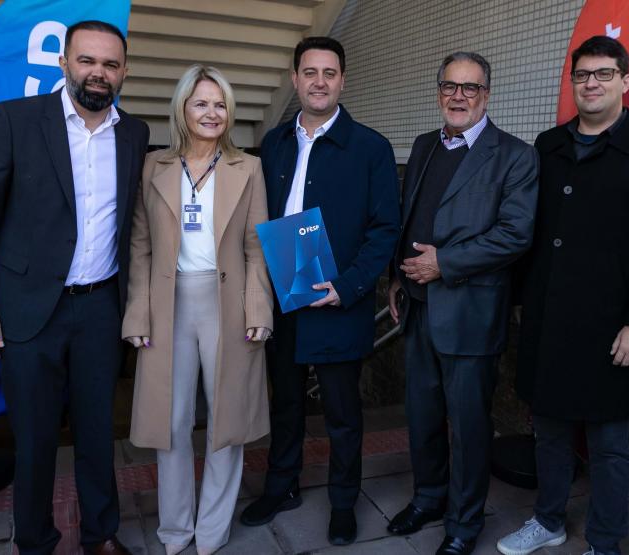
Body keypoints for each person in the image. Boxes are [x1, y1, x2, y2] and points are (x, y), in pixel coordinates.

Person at [0, 20, 149, 555]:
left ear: (124, 72)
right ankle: (36, 543)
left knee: (96, 435)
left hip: (99, 310)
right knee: (35, 442)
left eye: (110, 64)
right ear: (64, 63)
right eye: (87, 60)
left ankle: (100, 535)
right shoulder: (16, 120)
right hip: (27, 310)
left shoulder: (134, 134)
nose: (98, 73)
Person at [496, 36, 629, 555]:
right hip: (549, 319)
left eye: (603, 74)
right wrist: (517, 302)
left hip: (613, 325)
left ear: (626, 81)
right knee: (550, 432)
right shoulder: (549, 146)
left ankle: (605, 541)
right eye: (582, 75)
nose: (591, 84)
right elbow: (530, 234)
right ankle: (548, 521)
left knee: (608, 443)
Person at [239, 36, 400, 545]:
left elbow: (384, 230)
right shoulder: (275, 143)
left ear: (342, 81)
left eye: (329, 73)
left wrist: (349, 286)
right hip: (284, 295)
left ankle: (343, 502)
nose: (319, 81)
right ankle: (281, 485)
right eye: (310, 72)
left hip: (338, 299)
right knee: (284, 403)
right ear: (295, 79)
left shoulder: (371, 147)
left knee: (341, 413)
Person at [385, 52, 539, 555]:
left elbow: (515, 235)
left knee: (469, 426)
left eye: (470, 88)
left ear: (486, 96)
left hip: (470, 311)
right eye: (450, 86)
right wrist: (396, 278)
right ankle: (428, 498)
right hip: (417, 305)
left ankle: (464, 524)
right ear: (438, 92)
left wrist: (444, 263)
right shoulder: (427, 144)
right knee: (423, 416)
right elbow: (410, 218)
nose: (458, 96)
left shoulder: (515, 155)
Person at [122, 64, 273, 555]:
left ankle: (211, 528)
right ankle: (174, 528)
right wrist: (138, 315)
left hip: (227, 304)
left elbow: (256, 246)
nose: (212, 113)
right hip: (169, 304)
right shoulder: (154, 167)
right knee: (171, 422)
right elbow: (140, 249)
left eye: (221, 104)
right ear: (183, 110)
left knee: (227, 420)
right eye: (202, 103)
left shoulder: (247, 167)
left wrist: (258, 310)